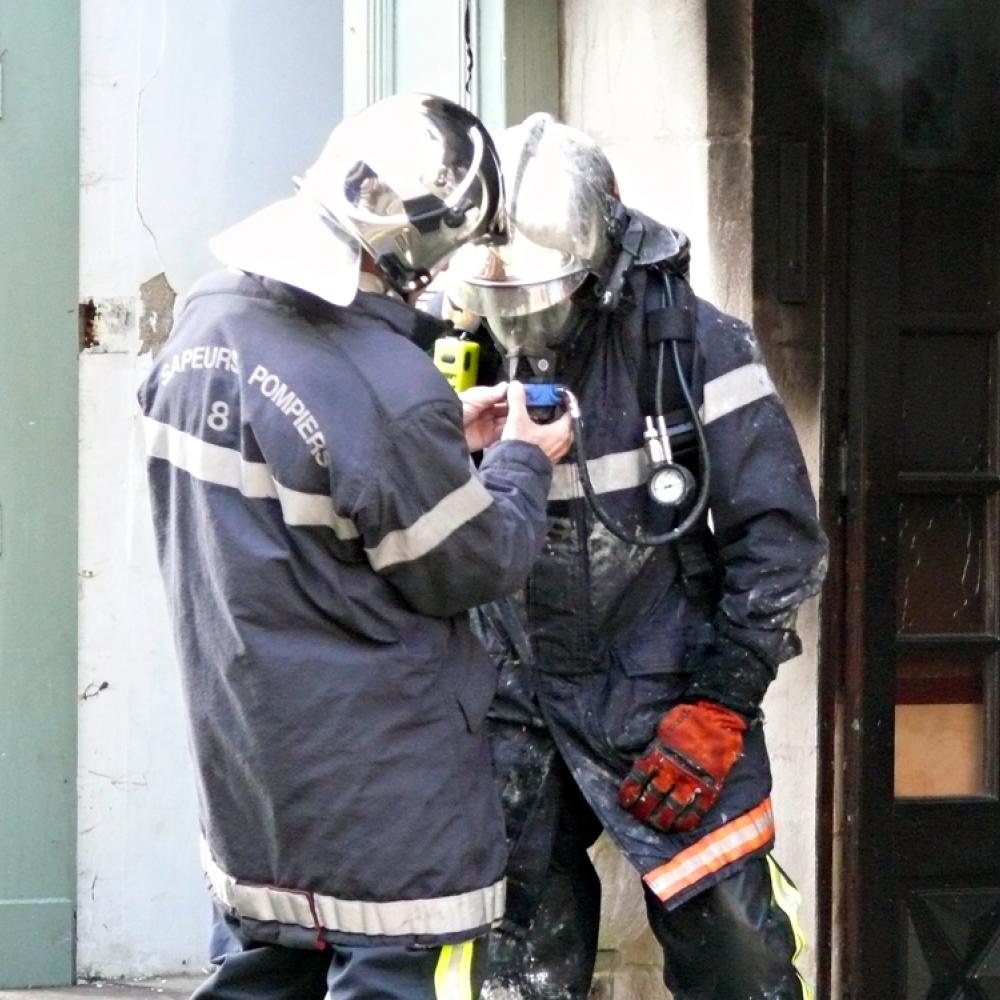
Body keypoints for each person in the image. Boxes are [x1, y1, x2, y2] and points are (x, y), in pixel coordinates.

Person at [137, 94, 573, 1000]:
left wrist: (440, 436)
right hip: (383, 793)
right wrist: (523, 464)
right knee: (386, 980)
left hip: (253, 758)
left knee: (263, 969)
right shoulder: (388, 389)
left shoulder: (206, 317)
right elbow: (473, 563)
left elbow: (303, 458)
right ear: (423, 248)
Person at [446, 113, 829, 1000]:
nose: (521, 323)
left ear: (602, 258)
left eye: (541, 296)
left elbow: (779, 545)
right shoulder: (452, 350)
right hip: (509, 704)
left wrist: (722, 702)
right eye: (502, 300)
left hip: (667, 692)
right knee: (506, 964)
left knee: (738, 954)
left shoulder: (697, 348)